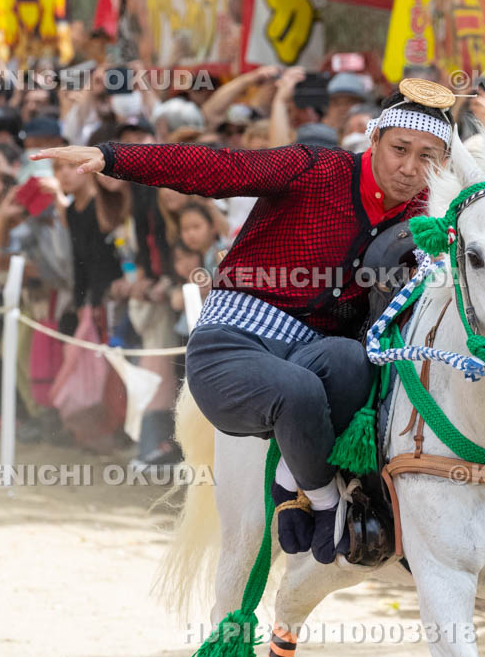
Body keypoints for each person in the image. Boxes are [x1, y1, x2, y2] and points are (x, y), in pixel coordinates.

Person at [32, 84, 451, 564]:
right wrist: (114, 157)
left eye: (427, 158)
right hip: (233, 343)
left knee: (351, 359)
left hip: (317, 355)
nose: (410, 168)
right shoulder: (317, 167)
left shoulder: (425, 218)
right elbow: (222, 169)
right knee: (299, 390)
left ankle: (295, 479)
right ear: (373, 141)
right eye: (400, 149)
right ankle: (324, 503)